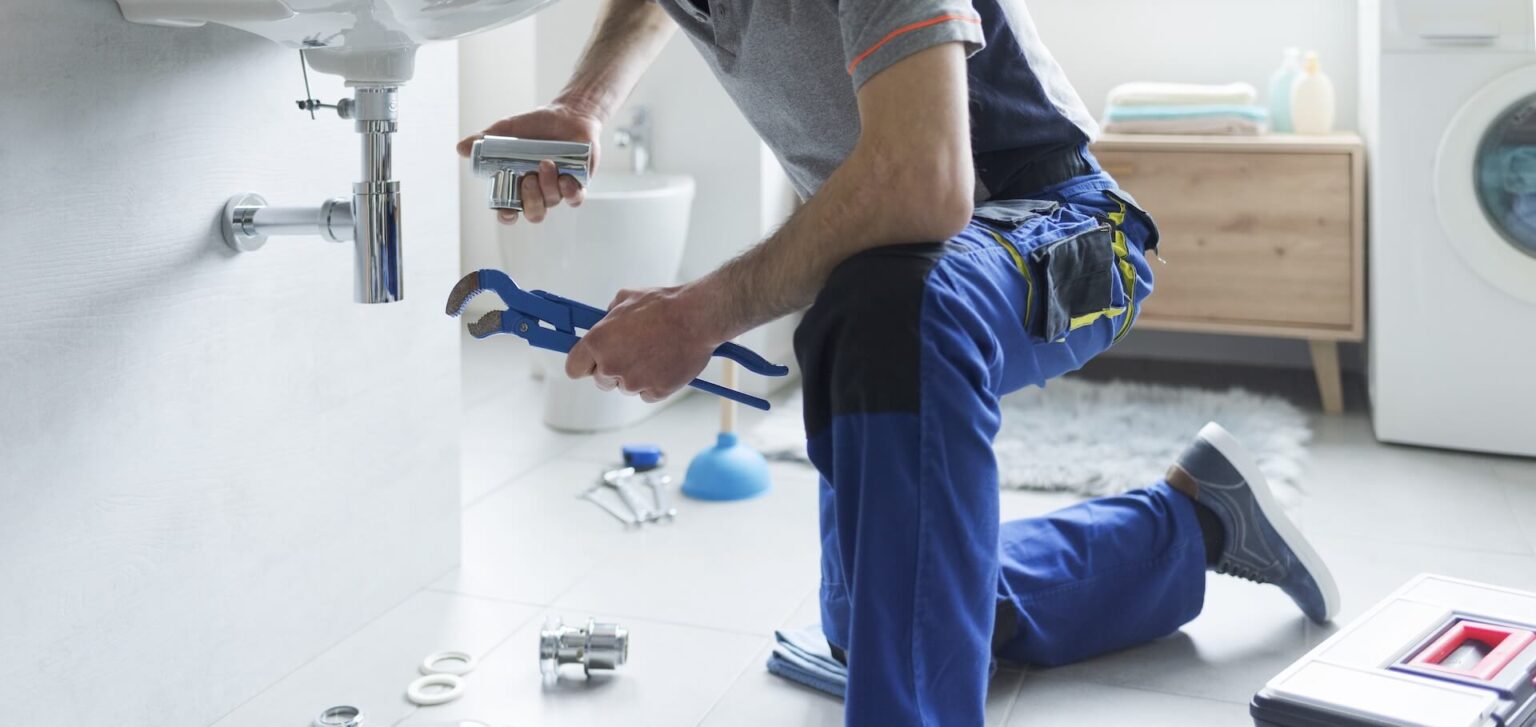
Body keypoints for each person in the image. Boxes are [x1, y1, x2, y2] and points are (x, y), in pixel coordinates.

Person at [458, 1, 1339, 723]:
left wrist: (698, 314)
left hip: (1062, 225)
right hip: (894, 274)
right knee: (876, 621)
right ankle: (1195, 524)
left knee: (888, 307)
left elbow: (924, 181)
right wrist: (585, 105)